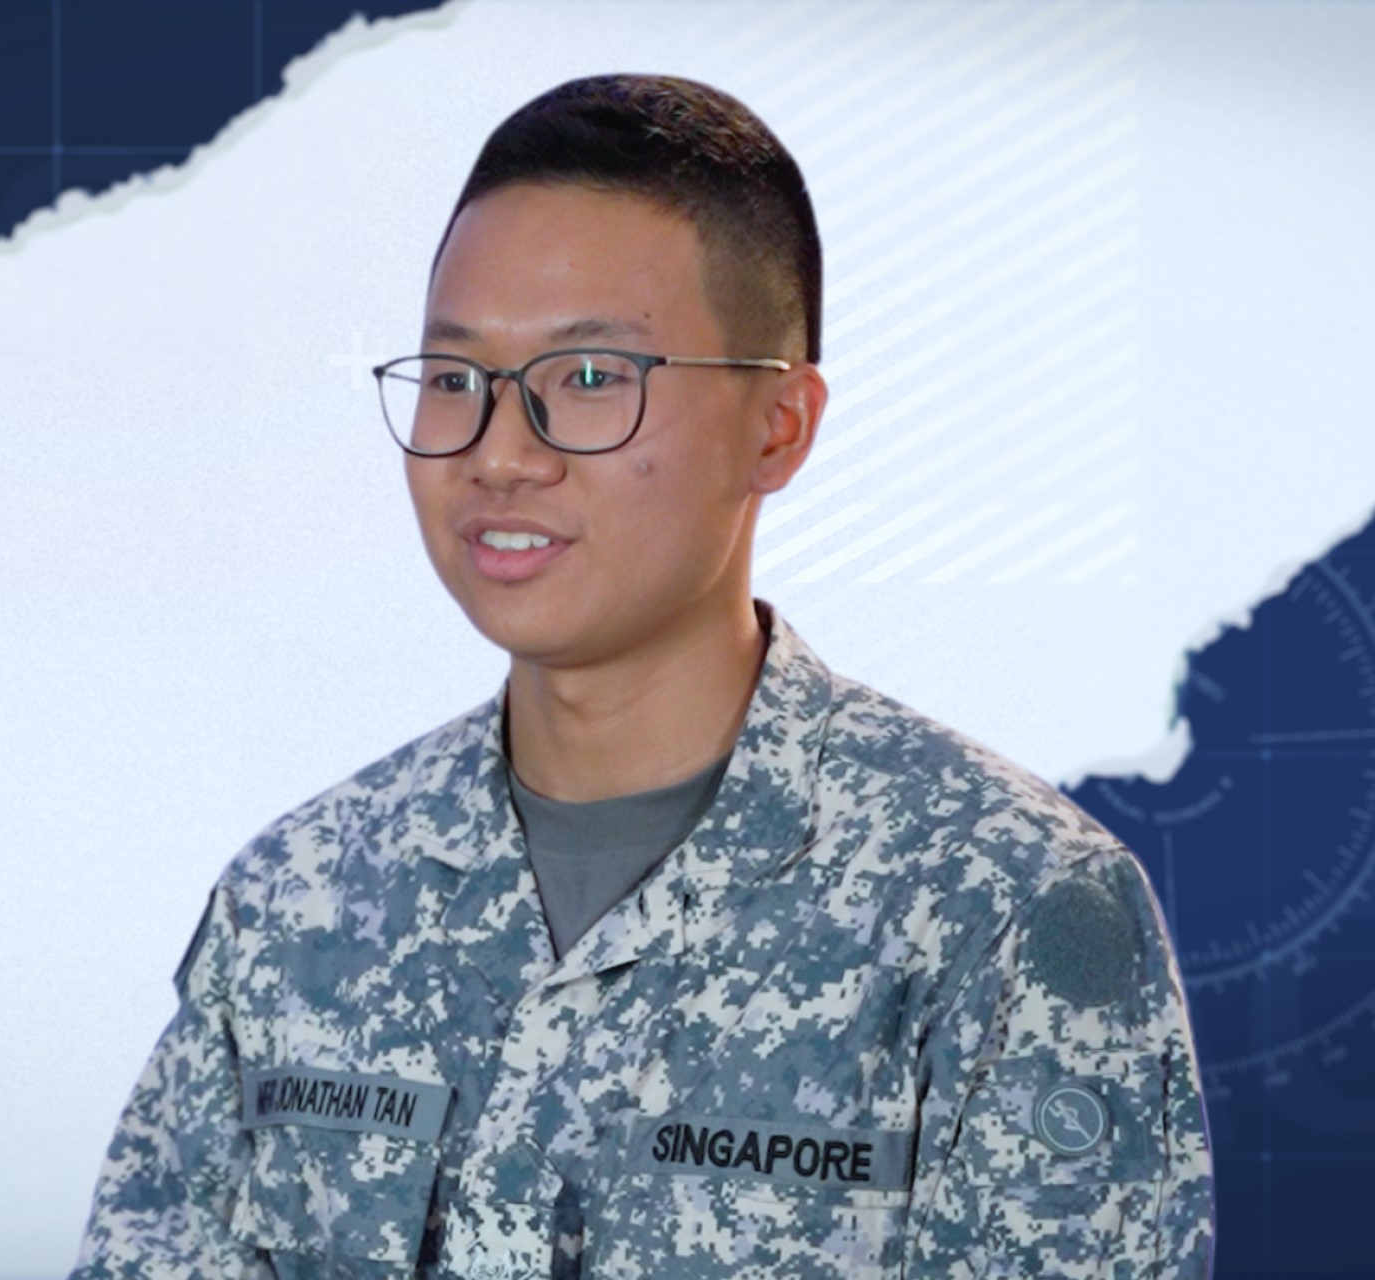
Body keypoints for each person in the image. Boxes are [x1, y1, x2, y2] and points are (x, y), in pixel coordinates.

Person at [67, 73, 1215, 1280]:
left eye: (589, 379)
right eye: (455, 379)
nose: (500, 453)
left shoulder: (1004, 907)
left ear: (780, 423)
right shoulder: (298, 903)